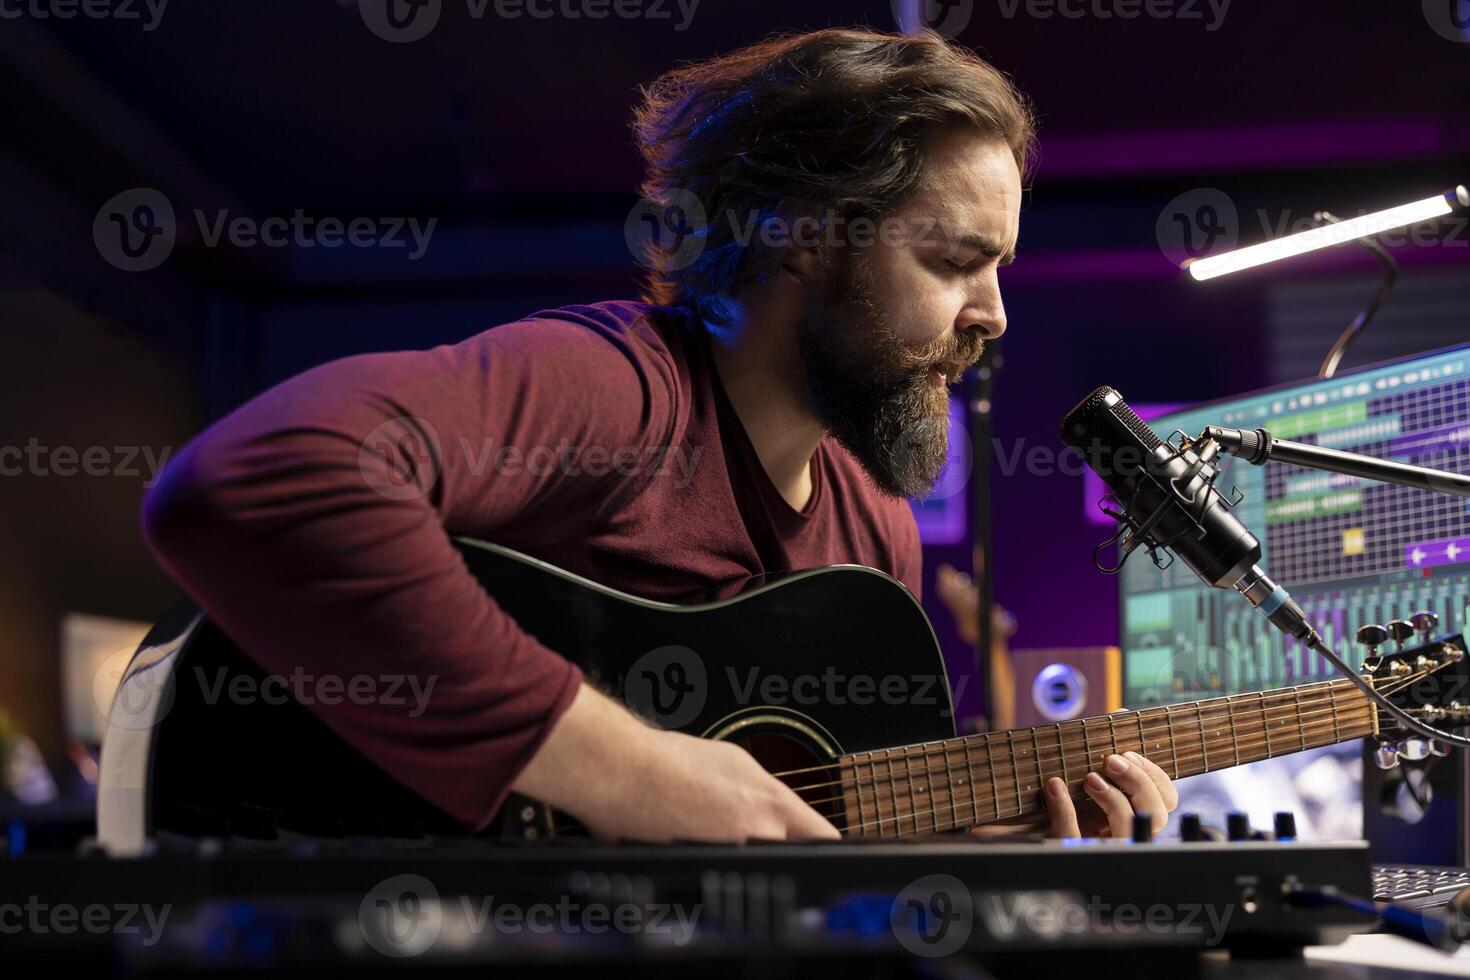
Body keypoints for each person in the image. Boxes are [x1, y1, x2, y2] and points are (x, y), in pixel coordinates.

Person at [141, 27, 1177, 845]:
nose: (994, 314)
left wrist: (967, 835)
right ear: (802, 231)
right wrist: (628, 768)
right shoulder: (621, 391)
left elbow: (786, 845)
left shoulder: (874, 529)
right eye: (954, 259)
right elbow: (252, 478)